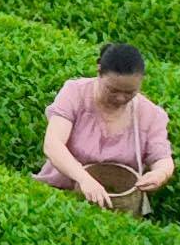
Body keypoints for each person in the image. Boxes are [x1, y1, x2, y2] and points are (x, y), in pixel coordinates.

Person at [38, 40, 171, 215]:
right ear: (99, 71)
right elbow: (53, 144)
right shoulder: (75, 93)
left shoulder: (150, 114)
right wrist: (84, 179)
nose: (120, 98)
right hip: (61, 194)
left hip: (118, 209)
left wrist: (159, 175)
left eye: (130, 93)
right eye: (112, 90)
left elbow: (163, 159)